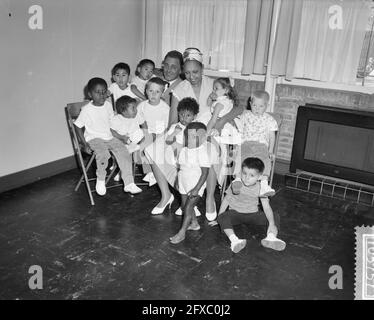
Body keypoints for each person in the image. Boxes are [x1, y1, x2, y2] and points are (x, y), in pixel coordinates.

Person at [74, 77, 142, 196]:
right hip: (94, 138)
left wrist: (121, 137)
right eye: (97, 92)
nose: (102, 95)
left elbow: (111, 125)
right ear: (90, 94)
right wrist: (84, 144)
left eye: (104, 91)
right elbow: (78, 126)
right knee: (103, 153)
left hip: (109, 137)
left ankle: (129, 183)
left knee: (124, 151)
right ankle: (100, 179)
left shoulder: (108, 105)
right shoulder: (86, 110)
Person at [217, 157, 286, 253]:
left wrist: (271, 223)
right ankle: (234, 241)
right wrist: (219, 218)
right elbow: (226, 200)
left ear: (259, 177)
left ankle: (271, 237)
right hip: (235, 213)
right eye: (244, 173)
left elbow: (266, 207)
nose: (246, 178)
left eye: (252, 175)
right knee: (223, 217)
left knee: (275, 216)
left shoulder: (262, 188)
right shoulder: (236, 184)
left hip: (253, 214)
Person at [170, 122, 211, 244]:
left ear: (202, 138)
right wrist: (177, 181)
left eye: (194, 137)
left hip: (196, 185)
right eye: (188, 136)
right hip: (184, 183)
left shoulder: (202, 152)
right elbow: (181, 168)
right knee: (184, 206)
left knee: (188, 207)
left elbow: (205, 173)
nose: (190, 140)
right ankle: (194, 224)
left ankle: (182, 233)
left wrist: (197, 189)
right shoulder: (183, 150)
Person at [232, 90, 277, 197]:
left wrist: (270, 151)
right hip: (246, 143)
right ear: (250, 104)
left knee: (265, 160)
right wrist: (236, 145)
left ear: (267, 105)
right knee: (239, 157)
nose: (257, 108)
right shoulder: (245, 115)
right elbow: (238, 129)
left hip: (261, 145)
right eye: (254, 105)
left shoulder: (270, 119)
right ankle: (237, 180)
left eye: (261, 106)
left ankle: (264, 184)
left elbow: (272, 136)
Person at [165, 97, 201, 217]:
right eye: (181, 115)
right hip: (179, 158)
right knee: (182, 184)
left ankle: (192, 206)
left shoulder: (196, 127)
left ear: (194, 116)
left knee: (193, 182)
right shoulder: (175, 126)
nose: (184, 118)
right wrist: (175, 132)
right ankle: (183, 205)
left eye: (188, 115)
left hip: (193, 159)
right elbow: (169, 141)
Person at [137, 77, 170, 185]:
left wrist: (157, 136)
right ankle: (150, 172)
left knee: (148, 147)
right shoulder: (142, 106)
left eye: (157, 91)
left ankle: (152, 172)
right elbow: (138, 121)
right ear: (146, 91)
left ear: (162, 93)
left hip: (160, 134)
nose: (154, 94)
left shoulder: (164, 108)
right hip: (144, 132)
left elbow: (165, 126)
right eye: (151, 91)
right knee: (140, 146)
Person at [206, 77, 241, 145]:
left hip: (219, 125)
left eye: (216, 89)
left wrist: (206, 132)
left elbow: (213, 120)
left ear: (226, 90)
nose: (213, 91)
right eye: (213, 88)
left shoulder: (219, 104)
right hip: (226, 122)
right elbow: (208, 104)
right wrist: (210, 97)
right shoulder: (227, 100)